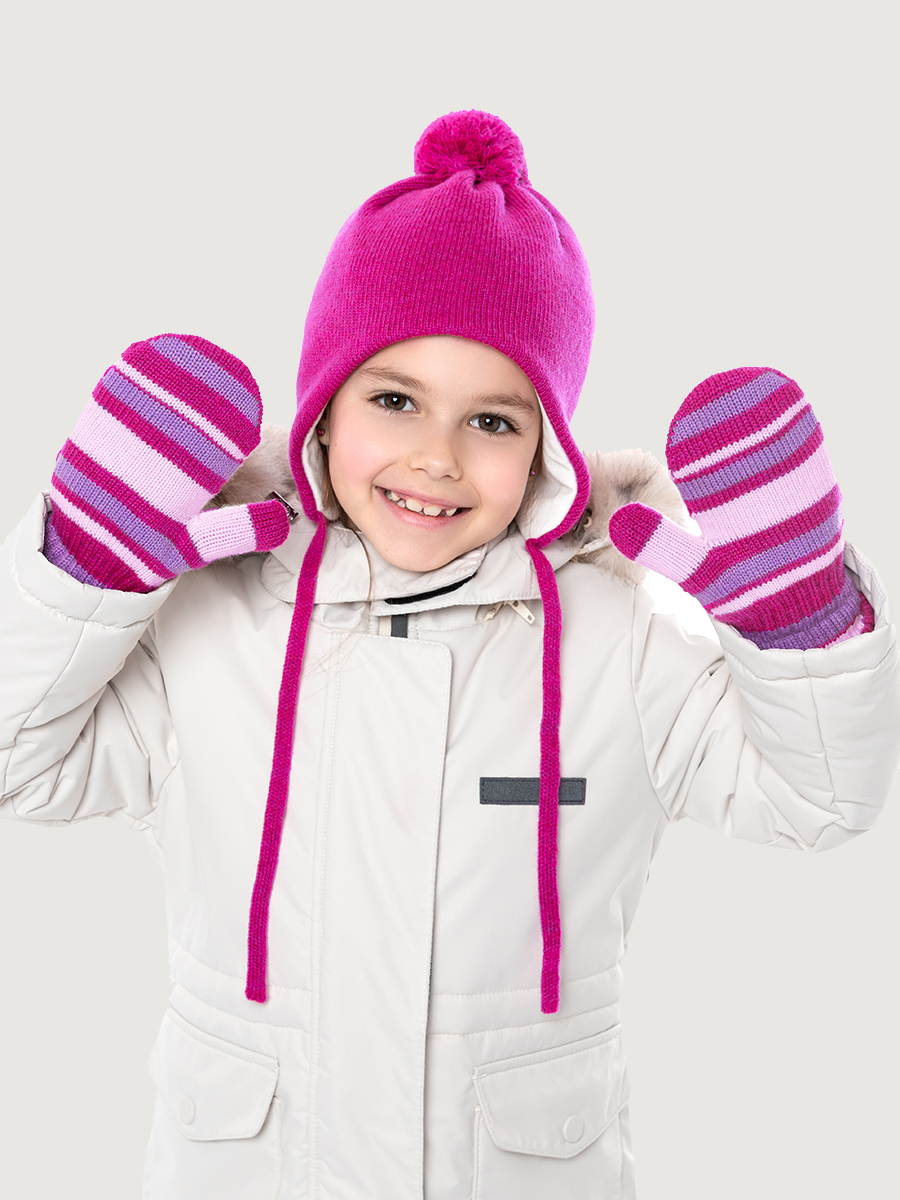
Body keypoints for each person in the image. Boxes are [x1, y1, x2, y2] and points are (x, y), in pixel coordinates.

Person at [0, 110, 897, 1200]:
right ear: (323, 416)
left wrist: (797, 629)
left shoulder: (614, 645)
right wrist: (86, 581)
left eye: (494, 422)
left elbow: (819, 800)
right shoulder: (212, 626)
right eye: (394, 400)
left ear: (550, 451)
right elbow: (19, 765)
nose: (436, 457)